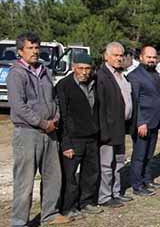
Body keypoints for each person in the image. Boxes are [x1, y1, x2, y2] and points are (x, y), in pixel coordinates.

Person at [7, 32, 71, 226]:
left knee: (53, 176)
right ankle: (19, 221)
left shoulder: (44, 71)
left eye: (37, 48)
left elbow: (54, 99)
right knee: (24, 179)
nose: (35, 52)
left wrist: (56, 117)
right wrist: (43, 123)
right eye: (30, 48)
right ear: (20, 51)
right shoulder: (16, 74)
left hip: (50, 132)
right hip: (28, 133)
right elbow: (19, 106)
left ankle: (49, 214)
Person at [57, 54, 103, 219]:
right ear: (73, 67)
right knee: (69, 176)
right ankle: (67, 207)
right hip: (73, 138)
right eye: (81, 68)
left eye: (88, 68)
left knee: (91, 173)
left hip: (91, 137)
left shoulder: (94, 83)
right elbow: (63, 116)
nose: (84, 72)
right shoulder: (64, 86)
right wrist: (66, 143)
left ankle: (86, 202)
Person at [97, 42, 134, 207]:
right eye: (116, 55)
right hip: (108, 128)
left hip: (121, 127)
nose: (119, 58)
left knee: (119, 162)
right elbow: (100, 106)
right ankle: (104, 197)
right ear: (106, 56)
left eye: (121, 55)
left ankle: (116, 192)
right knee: (106, 164)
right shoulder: (101, 76)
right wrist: (103, 131)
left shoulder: (121, 75)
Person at [127, 45, 160, 195]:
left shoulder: (155, 74)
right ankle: (137, 185)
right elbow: (135, 101)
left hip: (154, 121)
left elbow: (159, 96)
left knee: (149, 154)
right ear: (141, 57)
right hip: (142, 123)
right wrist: (140, 122)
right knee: (139, 155)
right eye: (149, 57)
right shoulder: (134, 76)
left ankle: (147, 180)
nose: (152, 60)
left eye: (154, 57)